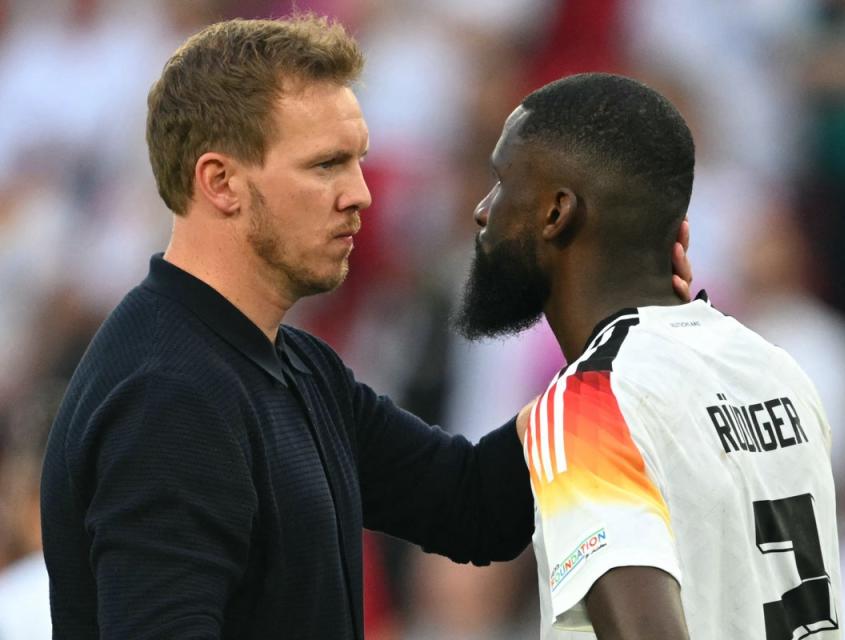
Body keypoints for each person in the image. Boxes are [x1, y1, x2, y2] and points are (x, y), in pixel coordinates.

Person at [39, 14, 697, 640]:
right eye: (326, 164)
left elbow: (473, 505)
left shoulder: (296, 364)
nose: (361, 193)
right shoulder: (168, 398)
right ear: (220, 183)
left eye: (357, 160)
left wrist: (622, 341)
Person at [455, 72, 842, 640]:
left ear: (556, 213)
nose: (482, 211)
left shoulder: (588, 404)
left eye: (501, 182)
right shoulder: (775, 368)